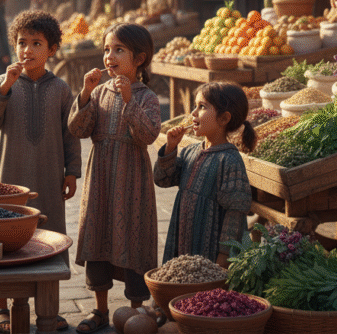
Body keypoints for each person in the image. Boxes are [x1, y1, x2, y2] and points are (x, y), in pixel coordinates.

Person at [0, 11, 80, 333]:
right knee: (3, 239)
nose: (27, 50)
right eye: (22, 43)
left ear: (51, 50)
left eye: (37, 43)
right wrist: (4, 87)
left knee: (48, 240)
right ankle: (0, 306)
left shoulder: (61, 89)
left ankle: (47, 308)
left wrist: (72, 171)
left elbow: (71, 132)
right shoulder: (3, 82)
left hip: (49, 179)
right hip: (9, 179)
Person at [69, 23, 160, 333]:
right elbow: (78, 129)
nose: (109, 56)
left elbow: (147, 136)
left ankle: (137, 311)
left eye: (118, 50)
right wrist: (84, 93)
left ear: (139, 58)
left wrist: (129, 101)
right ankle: (100, 310)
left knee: (133, 236)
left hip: (132, 179)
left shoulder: (147, 97)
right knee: (98, 233)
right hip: (101, 180)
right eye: (107, 49)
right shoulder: (98, 93)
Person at [155, 82, 254, 267]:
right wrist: (170, 147)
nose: (193, 113)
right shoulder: (189, 151)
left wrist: (222, 259)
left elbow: (235, 214)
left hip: (209, 252)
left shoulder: (230, 160)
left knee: (203, 291)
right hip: (181, 241)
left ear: (224, 118)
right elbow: (162, 179)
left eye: (202, 107)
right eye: (195, 106)